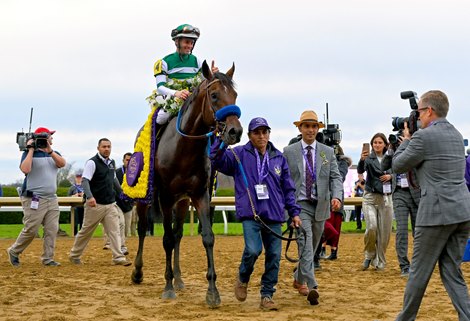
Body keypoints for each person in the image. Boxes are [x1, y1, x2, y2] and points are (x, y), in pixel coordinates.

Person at [393, 90, 470, 320]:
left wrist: (405, 141)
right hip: (463, 211)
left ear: (428, 111)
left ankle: (405, 318)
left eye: (419, 113)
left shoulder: (422, 138)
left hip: (435, 213)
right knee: (451, 270)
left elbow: (397, 165)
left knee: (419, 272)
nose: (417, 118)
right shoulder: (457, 135)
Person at [210, 117, 301, 311]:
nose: (261, 136)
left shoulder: (278, 157)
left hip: (275, 214)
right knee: (253, 250)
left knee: (275, 256)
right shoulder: (237, 154)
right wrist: (221, 139)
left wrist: (294, 213)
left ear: (269, 133)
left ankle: (267, 295)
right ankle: (243, 277)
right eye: (257, 132)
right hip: (250, 214)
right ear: (250, 135)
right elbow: (215, 159)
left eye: (264, 132)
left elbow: (288, 188)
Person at [283, 110, 343, 305]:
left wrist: (336, 196)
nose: (310, 130)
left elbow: (335, 177)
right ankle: (312, 285)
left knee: (313, 246)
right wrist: (288, 208)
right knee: (306, 243)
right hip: (299, 206)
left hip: (321, 206)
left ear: (318, 129)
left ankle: (298, 278)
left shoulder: (327, 152)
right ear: (299, 128)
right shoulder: (289, 151)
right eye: (306, 126)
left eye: (313, 126)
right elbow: (284, 180)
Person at [7, 127, 66, 267]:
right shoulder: (29, 154)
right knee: (31, 230)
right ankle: (14, 251)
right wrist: (31, 149)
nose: (51, 139)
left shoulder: (54, 153)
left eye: (49, 137)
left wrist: (49, 151)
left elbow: (62, 164)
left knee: (52, 230)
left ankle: (48, 258)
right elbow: (25, 169)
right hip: (34, 198)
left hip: (52, 198)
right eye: (49, 136)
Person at [69, 138, 131, 266]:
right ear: (98, 148)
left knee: (114, 230)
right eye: (104, 147)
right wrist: (90, 197)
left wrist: (122, 192)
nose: (107, 149)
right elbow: (85, 181)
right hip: (95, 204)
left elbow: (114, 180)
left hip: (110, 204)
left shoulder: (111, 163)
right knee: (86, 231)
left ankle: (118, 257)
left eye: (109, 146)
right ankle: (74, 255)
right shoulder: (92, 163)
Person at [152, 23, 219, 127]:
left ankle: (217, 141)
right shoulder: (164, 62)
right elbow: (160, 87)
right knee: (161, 118)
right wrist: (176, 93)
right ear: (177, 42)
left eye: (192, 43)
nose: (190, 46)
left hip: (193, 97)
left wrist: (212, 75)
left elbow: (205, 81)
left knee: (212, 115)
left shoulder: (197, 61)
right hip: (173, 98)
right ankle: (154, 142)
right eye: (187, 42)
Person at [357, 133, 395, 271]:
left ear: (385, 144)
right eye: (375, 143)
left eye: (380, 142)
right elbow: (361, 170)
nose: (377, 145)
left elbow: (399, 170)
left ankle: (380, 260)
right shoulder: (369, 158)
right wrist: (361, 160)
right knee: (372, 227)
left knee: (384, 233)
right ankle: (369, 254)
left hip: (386, 197)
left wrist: (391, 175)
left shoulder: (391, 157)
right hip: (370, 197)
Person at [382, 143, 420, 277]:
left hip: (415, 192)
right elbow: (383, 166)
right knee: (402, 230)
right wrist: (390, 150)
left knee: (419, 232)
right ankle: (404, 265)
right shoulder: (394, 151)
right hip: (399, 193)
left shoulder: (416, 143)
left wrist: (408, 143)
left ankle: (418, 265)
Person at [116, 152, 133, 237]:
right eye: (127, 160)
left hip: (129, 205)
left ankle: (122, 245)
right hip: (117, 203)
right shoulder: (117, 173)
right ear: (123, 161)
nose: (128, 162)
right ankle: (111, 243)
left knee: (126, 229)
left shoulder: (136, 174)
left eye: (131, 160)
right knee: (120, 224)